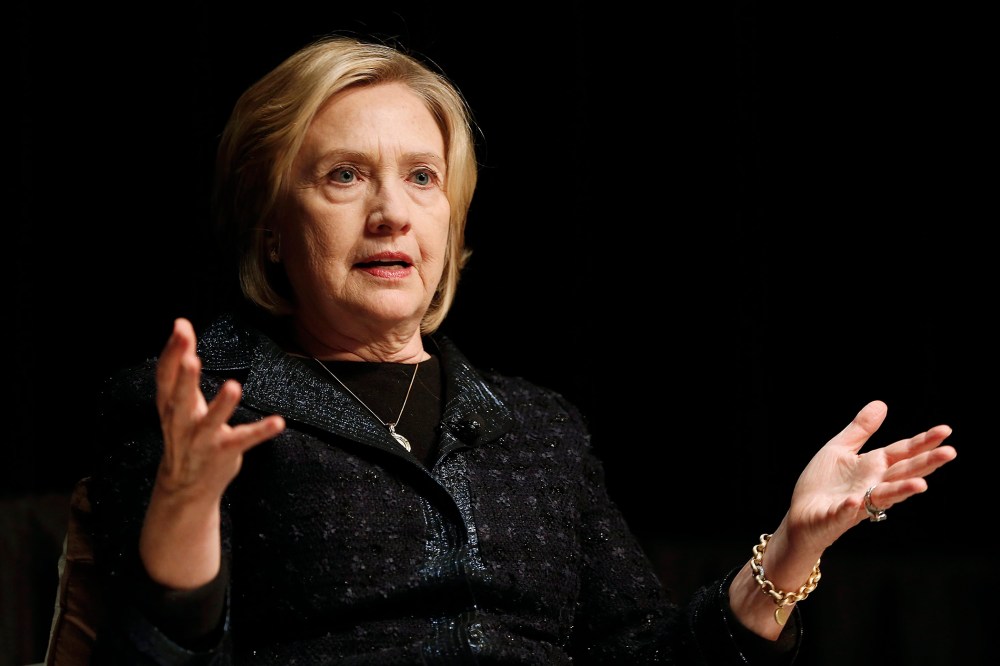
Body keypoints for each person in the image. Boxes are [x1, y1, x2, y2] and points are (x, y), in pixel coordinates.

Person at [86, 34, 957, 665]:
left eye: (422, 177)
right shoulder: (198, 405)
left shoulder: (537, 428)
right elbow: (159, 652)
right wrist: (187, 509)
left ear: (451, 216)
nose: (392, 211)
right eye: (344, 176)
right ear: (275, 228)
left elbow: (648, 658)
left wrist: (794, 546)